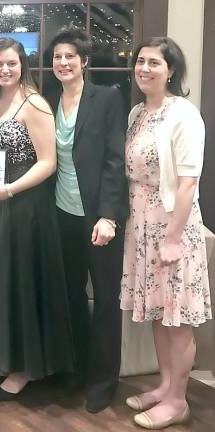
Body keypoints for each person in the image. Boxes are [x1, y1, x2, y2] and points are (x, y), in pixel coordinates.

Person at [0, 38, 74, 401]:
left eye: (11, 63)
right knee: (1, 283)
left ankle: (25, 367)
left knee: (21, 283)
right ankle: (7, 357)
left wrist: (9, 190)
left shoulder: (34, 102)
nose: (4, 70)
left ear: (22, 64)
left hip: (25, 207)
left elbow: (47, 162)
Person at [121, 37, 212, 429]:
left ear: (171, 70)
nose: (144, 68)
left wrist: (173, 239)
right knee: (160, 312)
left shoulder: (185, 114)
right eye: (140, 61)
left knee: (178, 317)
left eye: (154, 63)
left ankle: (178, 401)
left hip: (173, 226)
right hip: (141, 222)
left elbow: (189, 182)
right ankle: (164, 385)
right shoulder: (138, 113)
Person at [45, 27, 129, 413]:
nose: (63, 63)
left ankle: (102, 380)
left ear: (85, 62)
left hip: (100, 219)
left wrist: (109, 216)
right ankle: (75, 369)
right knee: (71, 296)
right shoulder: (48, 101)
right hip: (63, 215)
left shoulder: (107, 99)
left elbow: (116, 161)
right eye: (58, 57)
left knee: (106, 300)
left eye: (70, 56)